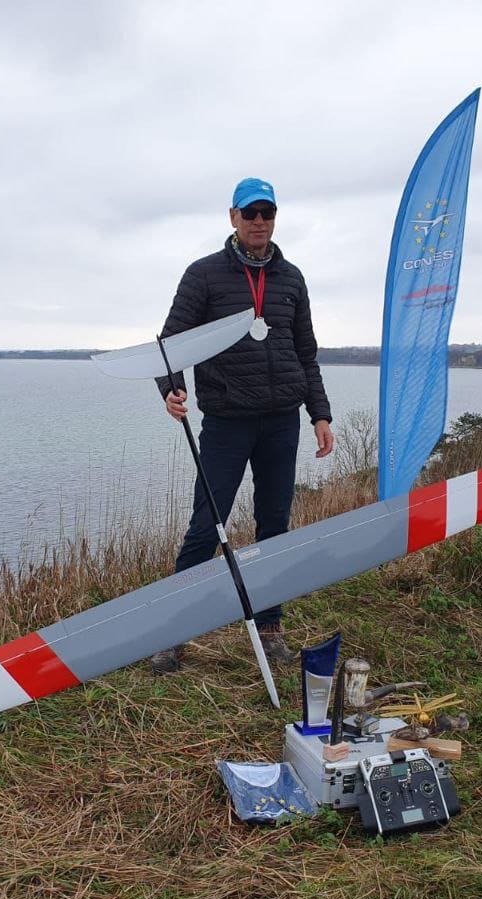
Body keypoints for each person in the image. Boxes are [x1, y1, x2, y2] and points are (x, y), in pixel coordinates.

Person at [151, 177, 334, 674]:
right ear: (232, 217)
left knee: (274, 526)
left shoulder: (292, 278)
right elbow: (170, 343)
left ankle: (270, 624)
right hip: (227, 423)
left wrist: (319, 413)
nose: (259, 222)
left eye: (267, 213)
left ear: (275, 218)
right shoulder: (204, 275)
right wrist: (172, 387)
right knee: (205, 525)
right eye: (250, 213)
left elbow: (306, 354)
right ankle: (174, 631)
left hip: (280, 421)